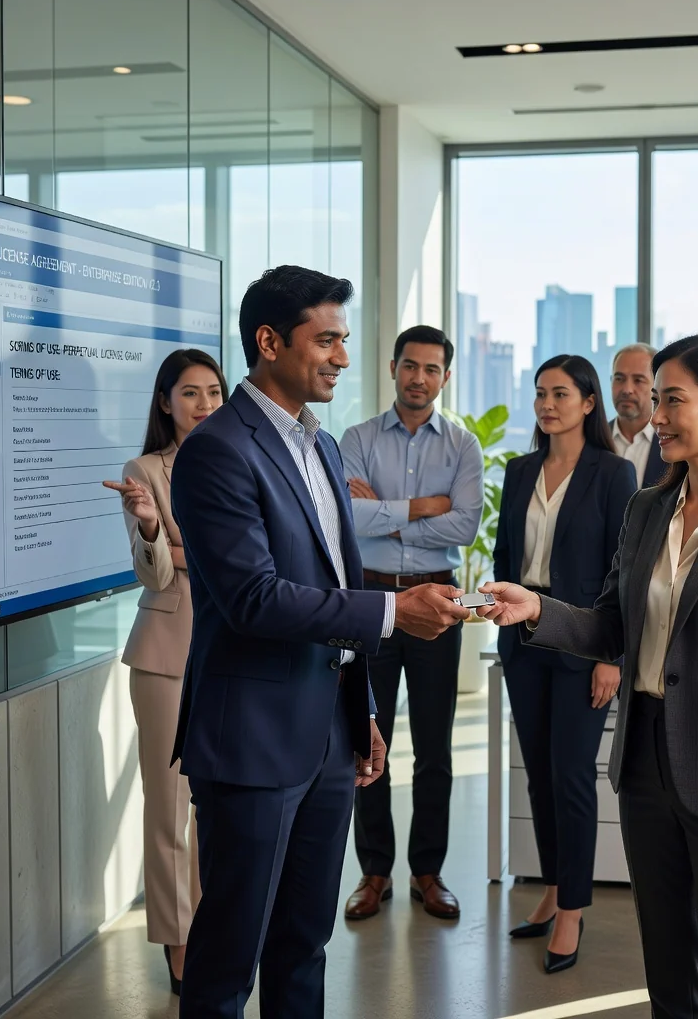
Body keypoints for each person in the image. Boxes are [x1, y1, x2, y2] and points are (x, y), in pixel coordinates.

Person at [479, 333, 698, 1019]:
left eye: (672, 400)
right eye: (655, 399)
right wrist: (536, 608)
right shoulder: (647, 509)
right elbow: (614, 627)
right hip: (643, 764)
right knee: (667, 969)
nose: (655, 416)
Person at [169, 266, 470, 1019]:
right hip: (252, 741)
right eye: (326, 339)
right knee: (229, 957)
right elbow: (253, 599)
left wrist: (358, 707)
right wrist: (396, 613)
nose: (341, 356)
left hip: (328, 736)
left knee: (304, 946)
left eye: (343, 339)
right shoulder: (218, 451)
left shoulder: (325, 448)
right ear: (269, 342)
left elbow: (331, 577)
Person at [494, 354, 636, 973]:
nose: (547, 405)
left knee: (572, 777)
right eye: (540, 394)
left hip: (583, 646)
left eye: (560, 394)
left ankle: (573, 910)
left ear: (587, 402)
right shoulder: (521, 470)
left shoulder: (614, 474)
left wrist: (613, 654)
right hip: (523, 641)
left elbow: (622, 575)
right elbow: (505, 558)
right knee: (539, 776)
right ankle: (553, 886)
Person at [340, 325, 483, 922]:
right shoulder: (357, 437)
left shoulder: (463, 447)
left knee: (435, 745)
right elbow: (348, 518)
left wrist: (385, 515)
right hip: (371, 602)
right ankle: (374, 872)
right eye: (409, 366)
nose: (419, 377)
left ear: (445, 377)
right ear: (393, 367)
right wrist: (424, 507)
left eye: (431, 368)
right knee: (367, 742)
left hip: (438, 603)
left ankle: (428, 870)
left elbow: (465, 526)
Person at [102, 347, 228, 995]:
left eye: (213, 391)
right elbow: (153, 574)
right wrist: (155, 532)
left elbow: (249, 558)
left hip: (232, 658)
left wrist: (190, 550)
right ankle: (179, 946)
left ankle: (212, 932)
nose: (204, 404)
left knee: (220, 813)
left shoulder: (241, 462)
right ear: (164, 402)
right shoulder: (144, 471)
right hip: (164, 659)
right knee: (169, 810)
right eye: (189, 393)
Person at [610, 343, 666, 487]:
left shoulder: (675, 444)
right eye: (619, 379)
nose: (627, 389)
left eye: (638, 380)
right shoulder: (592, 440)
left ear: (657, 386)